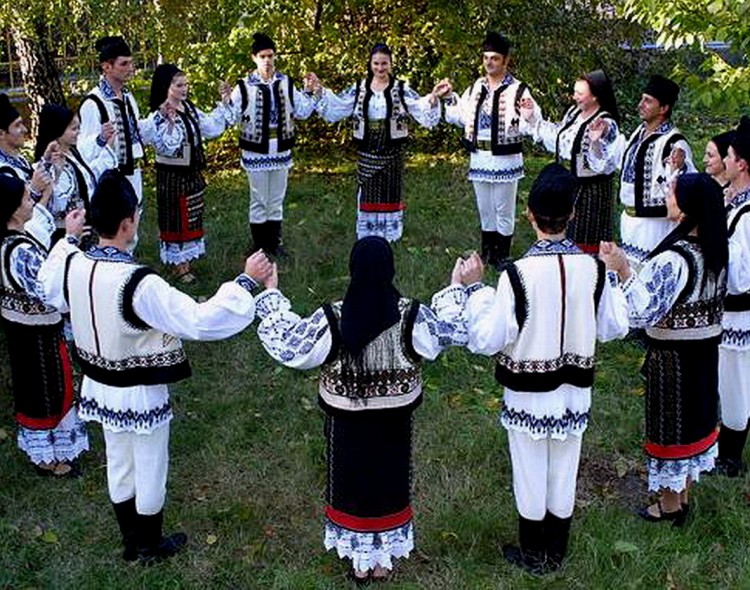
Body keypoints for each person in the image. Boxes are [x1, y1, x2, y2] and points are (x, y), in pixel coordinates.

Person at [38, 170, 273, 564]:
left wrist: (69, 239)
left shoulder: (72, 264)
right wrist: (246, 282)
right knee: (149, 464)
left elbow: (47, 286)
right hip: (139, 389)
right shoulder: (138, 283)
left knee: (119, 458)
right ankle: (147, 545)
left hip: (99, 384)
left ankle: (132, 540)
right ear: (128, 222)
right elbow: (198, 320)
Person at [255, 236, 469, 583]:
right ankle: (383, 560)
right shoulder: (410, 317)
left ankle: (361, 561)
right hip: (394, 423)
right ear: (391, 269)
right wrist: (456, 288)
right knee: (390, 482)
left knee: (351, 486)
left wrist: (271, 296)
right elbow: (449, 332)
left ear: (351, 270)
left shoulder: (334, 318)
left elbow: (289, 344)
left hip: (346, 425)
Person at [464, 164, 628, 574]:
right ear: (572, 214)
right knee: (565, 464)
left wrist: (471, 294)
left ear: (529, 215)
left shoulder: (517, 274)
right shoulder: (594, 271)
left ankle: (533, 553)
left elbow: (489, 339)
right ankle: (556, 550)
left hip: (527, 392)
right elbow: (613, 328)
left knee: (530, 466)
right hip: (575, 390)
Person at [600, 173, 727, 525]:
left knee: (671, 427)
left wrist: (621, 270)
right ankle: (682, 494)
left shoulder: (677, 257)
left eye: (673, 192)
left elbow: (642, 311)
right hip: (704, 355)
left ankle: (670, 507)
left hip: (673, 360)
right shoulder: (714, 250)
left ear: (687, 207)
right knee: (695, 422)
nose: (667, 195)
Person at [315, 43, 450, 242]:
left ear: (391, 64)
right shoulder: (360, 88)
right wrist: (320, 91)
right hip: (367, 149)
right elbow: (338, 105)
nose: (380, 68)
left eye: (384, 64)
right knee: (368, 191)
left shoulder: (400, 88)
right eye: (376, 64)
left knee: (390, 191)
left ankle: (389, 237)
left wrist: (433, 97)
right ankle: (369, 236)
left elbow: (419, 106)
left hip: (392, 151)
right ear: (370, 64)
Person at [0, 175, 89, 476]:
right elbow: (48, 287)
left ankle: (50, 450)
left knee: (44, 386)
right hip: (35, 333)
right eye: (27, 199)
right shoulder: (19, 249)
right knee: (45, 390)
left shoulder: (13, 241)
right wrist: (71, 240)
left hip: (26, 330)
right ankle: (46, 458)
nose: (32, 203)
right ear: (12, 210)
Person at [444, 32, 538, 266]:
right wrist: (448, 98)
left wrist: (529, 115)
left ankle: (502, 255)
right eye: (486, 57)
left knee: (503, 208)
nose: (489, 62)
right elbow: (461, 115)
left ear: (506, 61)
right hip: (480, 156)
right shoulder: (477, 86)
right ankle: (487, 252)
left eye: (495, 58)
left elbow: (532, 121)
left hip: (505, 158)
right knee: (485, 207)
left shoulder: (517, 89)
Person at [78, 35, 179, 249]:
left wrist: (159, 116)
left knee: (133, 223)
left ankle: (127, 266)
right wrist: (100, 139)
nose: (131, 68)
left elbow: (136, 132)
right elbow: (82, 150)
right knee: (114, 228)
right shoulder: (93, 102)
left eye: (131, 62)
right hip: (110, 177)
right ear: (107, 66)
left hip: (133, 170)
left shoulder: (127, 96)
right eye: (124, 63)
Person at [226, 32, 319, 256]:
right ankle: (259, 245)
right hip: (256, 149)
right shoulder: (244, 86)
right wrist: (226, 101)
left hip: (281, 146)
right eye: (263, 56)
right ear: (254, 58)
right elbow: (230, 117)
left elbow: (303, 111)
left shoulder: (285, 82)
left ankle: (274, 243)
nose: (267, 60)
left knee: (276, 198)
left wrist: (309, 92)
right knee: (259, 198)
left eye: (270, 56)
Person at [589, 75, 695, 267]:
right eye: (642, 99)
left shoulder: (673, 142)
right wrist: (599, 139)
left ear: (664, 108)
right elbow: (616, 162)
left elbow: (688, 185)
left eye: (648, 101)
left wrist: (678, 167)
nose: (641, 104)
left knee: (647, 275)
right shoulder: (639, 132)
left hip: (654, 227)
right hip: (630, 222)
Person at [147, 64, 232, 283]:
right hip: (172, 177)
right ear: (166, 87)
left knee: (192, 215)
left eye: (186, 85)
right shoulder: (159, 115)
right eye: (179, 85)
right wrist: (169, 123)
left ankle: (187, 261)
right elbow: (165, 146)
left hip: (191, 174)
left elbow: (211, 127)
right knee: (175, 218)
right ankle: (179, 266)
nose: (184, 89)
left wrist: (224, 102)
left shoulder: (190, 108)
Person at [520, 70, 621, 253]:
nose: (574, 97)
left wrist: (597, 140)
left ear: (595, 96)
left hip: (590, 193)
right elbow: (558, 137)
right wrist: (533, 119)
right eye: (575, 92)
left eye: (580, 94)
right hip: (566, 186)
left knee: (586, 239)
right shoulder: (574, 113)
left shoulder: (606, 123)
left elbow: (605, 161)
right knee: (561, 232)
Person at [716, 116, 750, 476]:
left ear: (741, 163)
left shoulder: (747, 213)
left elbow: (742, 278)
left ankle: (731, 457)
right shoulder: (735, 203)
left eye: (727, 155)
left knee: (737, 381)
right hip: (727, 312)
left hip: (740, 314)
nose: (723, 161)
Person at [34, 103, 118, 243]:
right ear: (58, 130)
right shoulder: (53, 162)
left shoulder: (72, 152)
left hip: (85, 226)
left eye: (78, 127)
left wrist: (107, 146)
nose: (78, 132)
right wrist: (57, 172)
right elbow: (57, 205)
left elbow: (88, 179)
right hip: (67, 233)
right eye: (73, 129)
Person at [0, 93, 56, 243]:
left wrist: (46, 161)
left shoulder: (18, 159)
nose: (25, 129)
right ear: (1, 133)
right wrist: (35, 190)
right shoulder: (3, 172)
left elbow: (29, 178)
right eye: (17, 125)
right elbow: (14, 214)